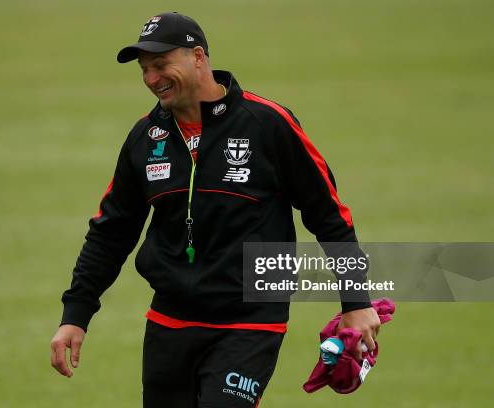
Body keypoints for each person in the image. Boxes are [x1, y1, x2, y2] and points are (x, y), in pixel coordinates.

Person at [50, 11, 381, 407]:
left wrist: (356, 302)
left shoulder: (267, 124)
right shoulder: (145, 137)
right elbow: (112, 230)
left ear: (198, 57)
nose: (151, 79)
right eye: (144, 70)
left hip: (250, 321)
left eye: (160, 65)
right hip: (170, 321)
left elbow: (329, 216)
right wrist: (76, 314)